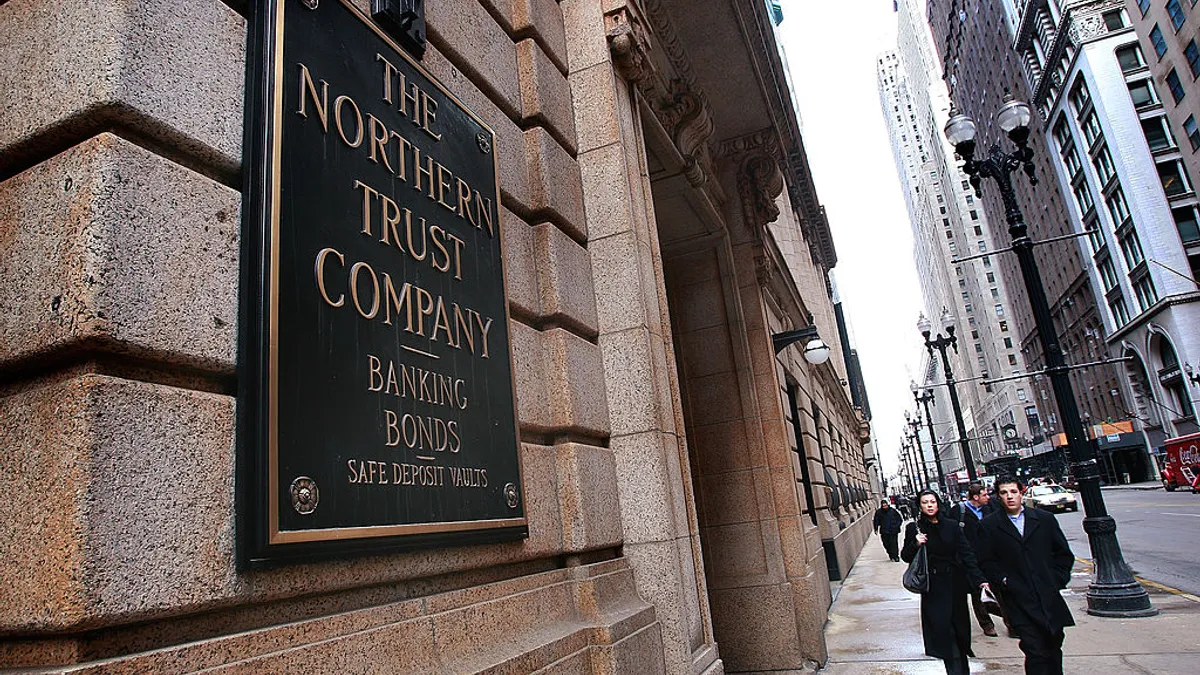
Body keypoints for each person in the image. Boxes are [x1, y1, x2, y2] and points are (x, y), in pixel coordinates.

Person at [975, 475, 1075, 674]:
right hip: (1018, 597)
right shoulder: (989, 525)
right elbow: (986, 561)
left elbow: (1063, 554)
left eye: (1013, 492)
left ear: (1021, 493)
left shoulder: (1044, 519)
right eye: (1004, 493)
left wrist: (1056, 580)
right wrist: (1004, 581)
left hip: (1048, 595)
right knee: (1035, 649)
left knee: (1053, 645)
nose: (1009, 497)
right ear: (998, 497)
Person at [902, 490, 989, 675]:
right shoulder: (914, 528)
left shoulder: (951, 526)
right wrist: (915, 544)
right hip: (933, 587)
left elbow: (966, 554)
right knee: (943, 631)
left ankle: (961, 667)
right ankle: (954, 669)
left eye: (932, 501)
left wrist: (980, 580)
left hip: (955, 583)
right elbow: (905, 556)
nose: (930, 505)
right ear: (920, 506)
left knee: (960, 630)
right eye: (925, 502)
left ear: (938, 503)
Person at [957, 483, 1012, 638]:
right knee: (977, 593)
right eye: (984, 495)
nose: (988, 497)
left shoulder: (991, 507)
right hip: (972, 558)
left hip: (991, 556)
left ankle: (1011, 624)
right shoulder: (960, 511)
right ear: (976, 497)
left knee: (1001, 590)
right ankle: (987, 625)